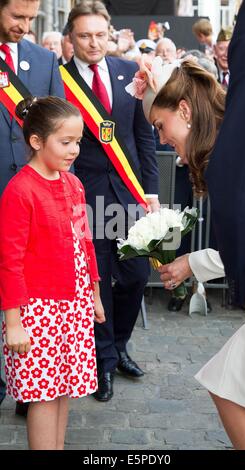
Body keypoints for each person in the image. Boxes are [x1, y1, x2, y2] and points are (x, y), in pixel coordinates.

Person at [128, 0, 245, 450]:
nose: (161, 141)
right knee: (227, 381)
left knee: (228, 384)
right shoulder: (221, 152)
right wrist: (189, 263)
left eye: (161, 127)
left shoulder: (233, 152)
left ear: (184, 110)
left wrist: (191, 264)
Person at [62, 1, 159, 402]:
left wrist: (151, 191)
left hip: (130, 197)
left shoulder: (126, 72)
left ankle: (118, 345)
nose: (94, 42)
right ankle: (102, 361)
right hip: (85, 199)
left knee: (136, 276)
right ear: (71, 39)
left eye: (100, 34)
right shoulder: (60, 78)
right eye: (85, 35)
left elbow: (143, 137)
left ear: (110, 33)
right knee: (97, 283)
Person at [0, 96, 105, 450]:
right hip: (37, 311)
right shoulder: (20, 190)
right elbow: (9, 261)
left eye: (77, 141)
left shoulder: (73, 184)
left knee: (63, 389)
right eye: (65, 142)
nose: (74, 149)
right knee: (43, 395)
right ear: (36, 141)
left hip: (73, 305)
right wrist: (13, 322)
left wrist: (94, 294)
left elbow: (84, 241)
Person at [0, 0, 64, 415]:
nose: (25, 26)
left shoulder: (45, 60)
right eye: (16, 17)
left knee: (32, 293)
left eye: (31, 18)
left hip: (33, 203)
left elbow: (58, 129)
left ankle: (29, 385)